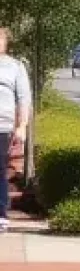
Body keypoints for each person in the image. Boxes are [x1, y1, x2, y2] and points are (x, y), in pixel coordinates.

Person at [0, 28, 33, 231]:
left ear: (5, 43)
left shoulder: (15, 67)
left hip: (3, 126)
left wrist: (22, 126)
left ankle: (1, 212)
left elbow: (24, 98)